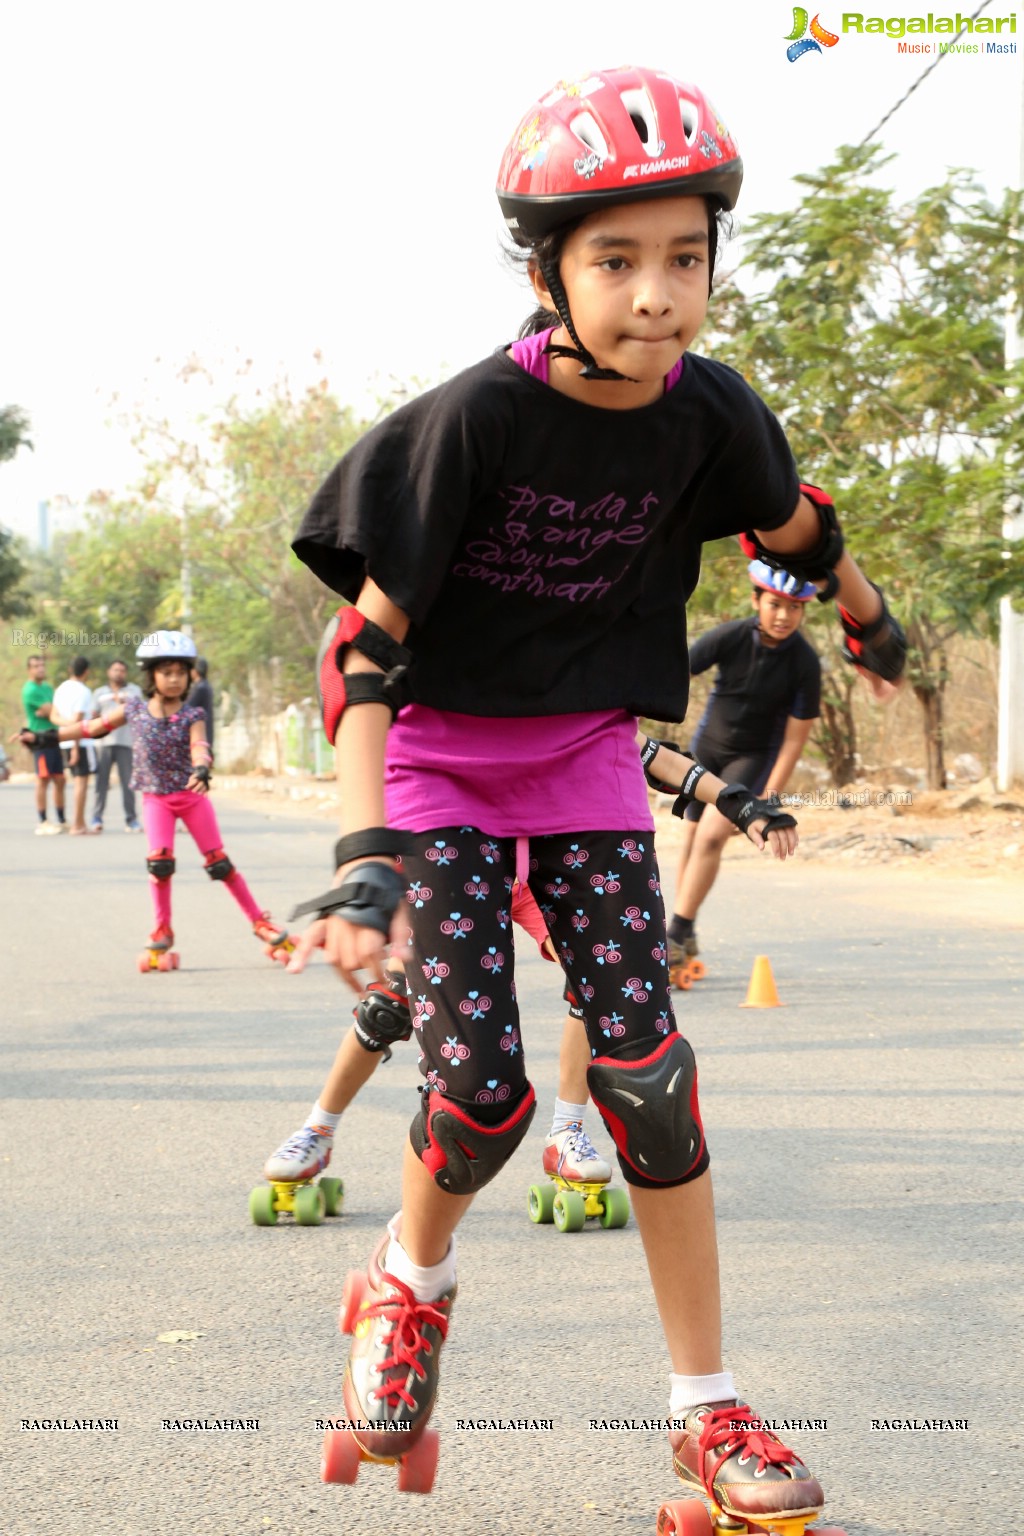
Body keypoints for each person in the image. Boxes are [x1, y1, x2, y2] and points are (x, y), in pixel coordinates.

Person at [287, 66, 906, 1524]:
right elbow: (369, 652)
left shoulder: (711, 415)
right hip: (438, 765)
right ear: (548, 271)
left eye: (686, 257)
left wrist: (871, 620)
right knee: (490, 1097)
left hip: (579, 762)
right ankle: (405, 1281)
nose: (658, 294)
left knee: (647, 1076)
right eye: (617, 259)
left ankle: (706, 1407)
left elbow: (796, 527)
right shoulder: (472, 425)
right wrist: (365, 856)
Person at [272, 737, 795, 1193]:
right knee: (392, 1005)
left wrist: (745, 805)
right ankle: (318, 1129)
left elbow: (656, 758)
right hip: (461, 858)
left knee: (590, 981)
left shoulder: (562, 697)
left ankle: (566, 1132)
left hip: (546, 862)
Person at [21, 632, 293, 968]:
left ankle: (260, 921)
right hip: (156, 799)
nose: (175, 679)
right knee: (160, 863)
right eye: (167, 672)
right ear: (151, 676)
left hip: (191, 796)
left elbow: (199, 746)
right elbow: (92, 728)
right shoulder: (133, 709)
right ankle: (162, 929)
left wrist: (202, 768)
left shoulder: (192, 716)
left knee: (219, 863)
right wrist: (43, 738)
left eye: (181, 672)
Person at [667, 559, 823, 980]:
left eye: (794, 608)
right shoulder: (731, 636)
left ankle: (675, 934)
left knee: (714, 836)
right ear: (757, 600)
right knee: (691, 839)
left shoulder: (805, 663)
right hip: (707, 751)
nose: (783, 616)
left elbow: (794, 739)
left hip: (752, 759)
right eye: (775, 604)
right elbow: (676, 667)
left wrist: (770, 796)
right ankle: (684, 931)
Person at [90, 659, 143, 832]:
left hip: (126, 742)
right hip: (104, 743)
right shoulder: (100, 693)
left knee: (128, 782)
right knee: (101, 782)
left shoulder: (134, 691)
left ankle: (131, 819)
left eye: (121, 670)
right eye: (115, 670)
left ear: (125, 673)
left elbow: (142, 714)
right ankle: (96, 818)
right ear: (109, 672)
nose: (118, 673)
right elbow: (93, 716)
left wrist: (125, 706)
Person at [19, 654, 66, 834]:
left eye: (42, 665)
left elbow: (54, 708)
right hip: (39, 738)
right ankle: (43, 822)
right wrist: (48, 710)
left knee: (60, 779)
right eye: (36, 666)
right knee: (43, 779)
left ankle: (61, 819)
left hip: (53, 736)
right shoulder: (30, 689)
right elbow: (51, 710)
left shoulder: (46, 687)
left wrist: (50, 710)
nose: (40, 669)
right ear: (29, 670)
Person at [52, 656, 95, 835]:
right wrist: (76, 747)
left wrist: (66, 725)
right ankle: (78, 823)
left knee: (76, 781)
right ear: (86, 672)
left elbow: (53, 716)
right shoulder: (84, 691)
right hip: (79, 743)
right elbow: (78, 722)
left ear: (70, 669)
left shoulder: (61, 689)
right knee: (81, 782)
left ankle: (80, 821)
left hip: (63, 741)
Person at [187, 656, 215, 752]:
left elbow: (186, 708)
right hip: (205, 734)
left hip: (200, 735)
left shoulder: (200, 688)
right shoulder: (205, 685)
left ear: (196, 671)